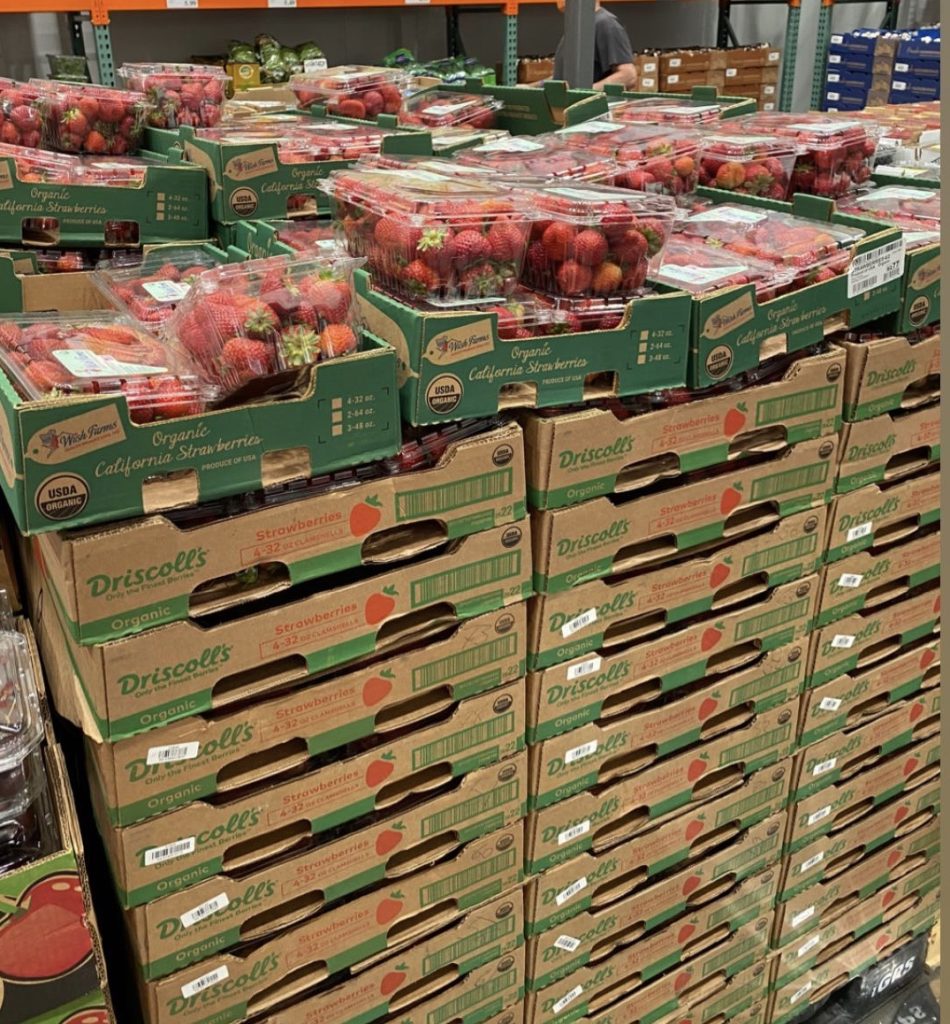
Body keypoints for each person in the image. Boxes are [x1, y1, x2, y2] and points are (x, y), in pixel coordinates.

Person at [553, 0, 638, 90]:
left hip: (592, 104)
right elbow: (567, 79)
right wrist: (540, 86)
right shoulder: (577, 27)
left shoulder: (606, 24)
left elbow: (628, 76)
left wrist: (585, 93)